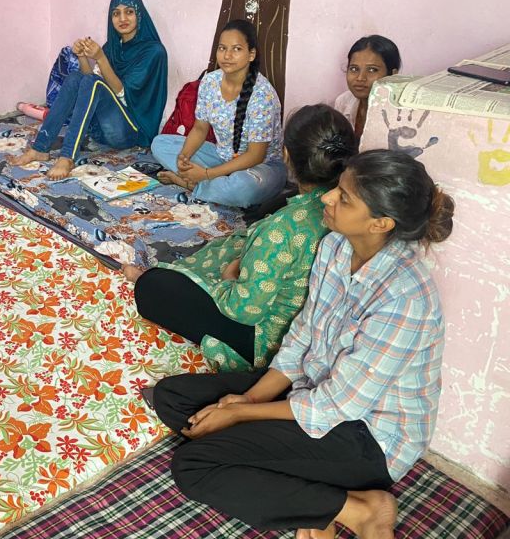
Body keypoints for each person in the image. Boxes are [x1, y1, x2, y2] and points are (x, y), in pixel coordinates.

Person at [150, 149, 455, 539]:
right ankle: (318, 497)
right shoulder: (335, 247)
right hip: (312, 392)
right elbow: (303, 338)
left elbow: (339, 405)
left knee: (194, 465)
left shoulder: (406, 297)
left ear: (380, 223)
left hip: (368, 436)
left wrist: (239, 415)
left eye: (344, 198)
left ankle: (360, 510)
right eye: (337, 189)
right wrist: (250, 401)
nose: (327, 198)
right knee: (173, 398)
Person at [128, 105, 356, 370]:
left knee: (152, 286)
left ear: (286, 154)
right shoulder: (349, 208)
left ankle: (151, 279)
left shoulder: (282, 229)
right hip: (306, 319)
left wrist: (228, 278)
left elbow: (243, 311)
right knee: (245, 231)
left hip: (267, 341)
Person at [9, 0, 168, 180]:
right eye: (116, 13)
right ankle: (40, 148)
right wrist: (82, 57)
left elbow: (122, 93)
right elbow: (89, 84)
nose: (122, 18)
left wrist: (100, 58)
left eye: (129, 12)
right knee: (75, 77)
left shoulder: (153, 52)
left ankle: (68, 156)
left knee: (92, 82)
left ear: (140, 14)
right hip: (102, 131)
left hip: (131, 133)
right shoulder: (113, 47)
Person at [150, 19, 286, 208]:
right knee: (160, 143)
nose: (227, 55)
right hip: (221, 156)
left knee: (243, 188)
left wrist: (206, 174)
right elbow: (200, 129)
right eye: (222, 48)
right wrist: (184, 157)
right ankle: (208, 182)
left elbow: (255, 155)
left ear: (251, 54)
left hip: (261, 167)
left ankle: (191, 183)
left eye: (236, 49)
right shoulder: (210, 83)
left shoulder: (262, 95)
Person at [335, 35, 402, 141]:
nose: (360, 78)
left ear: (393, 75)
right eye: (354, 69)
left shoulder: (402, 114)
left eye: (372, 70)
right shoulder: (343, 102)